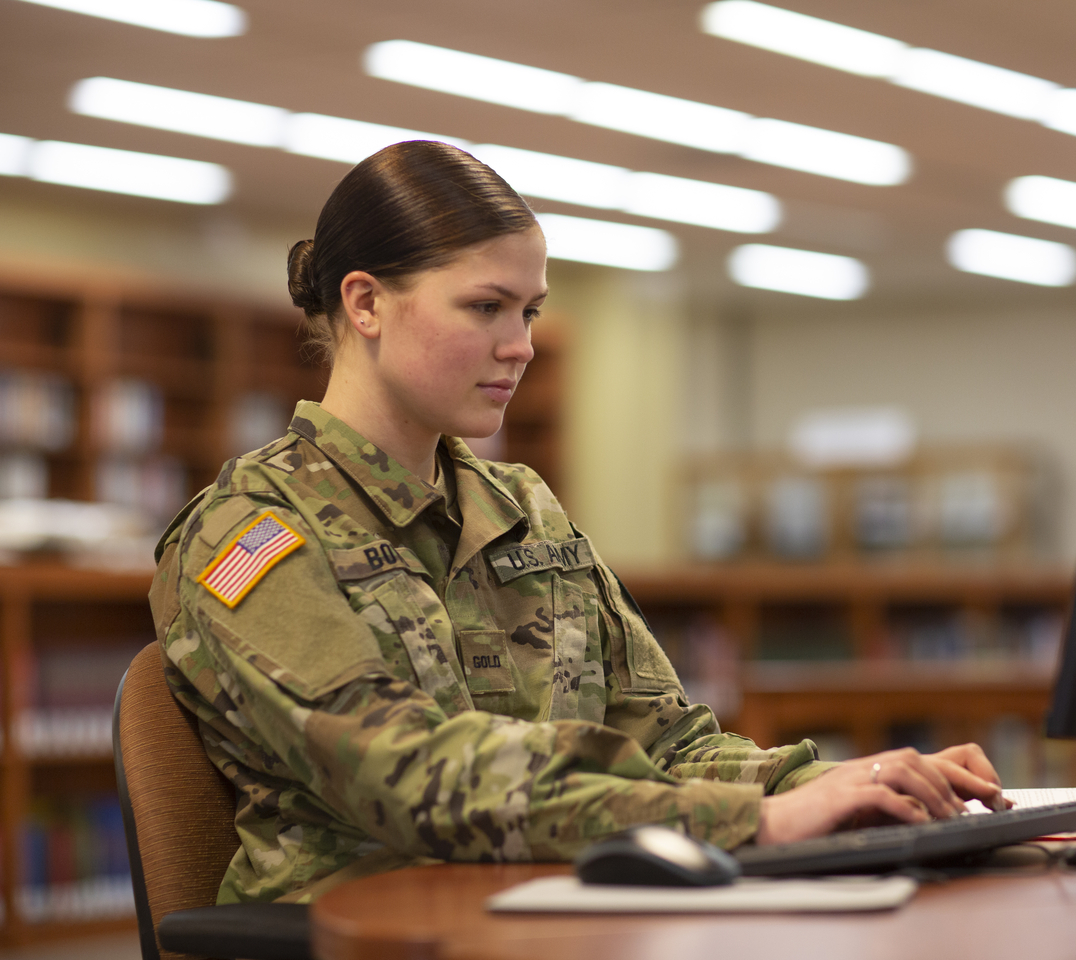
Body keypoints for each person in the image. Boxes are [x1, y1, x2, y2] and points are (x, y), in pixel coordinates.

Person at [151, 140, 1008, 905]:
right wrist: (756, 821)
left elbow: (662, 740)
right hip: (385, 931)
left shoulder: (521, 506)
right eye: (486, 307)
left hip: (575, 904)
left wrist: (847, 783)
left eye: (529, 311)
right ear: (366, 303)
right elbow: (411, 779)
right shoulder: (251, 530)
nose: (520, 343)